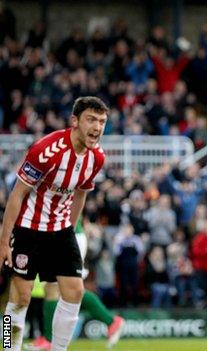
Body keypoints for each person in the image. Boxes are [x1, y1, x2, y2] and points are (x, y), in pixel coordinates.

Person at [0, 96, 108, 351]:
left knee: (75, 292)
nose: (97, 127)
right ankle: (8, 347)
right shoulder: (45, 150)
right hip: (28, 228)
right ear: (75, 121)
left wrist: (69, 230)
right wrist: (4, 242)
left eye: (102, 121)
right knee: (20, 297)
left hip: (60, 229)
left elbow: (81, 193)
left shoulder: (97, 158)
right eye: (91, 120)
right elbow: (16, 196)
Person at [26, 217, 125, 351]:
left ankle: (49, 340)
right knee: (62, 289)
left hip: (65, 234)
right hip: (62, 234)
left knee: (54, 288)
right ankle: (111, 321)